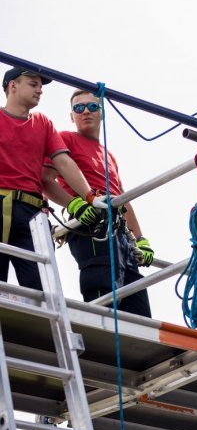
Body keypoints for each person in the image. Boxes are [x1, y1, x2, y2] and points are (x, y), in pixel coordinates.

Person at [42, 89, 153, 317]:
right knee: (104, 299)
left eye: (92, 107)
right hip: (92, 226)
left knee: (137, 307)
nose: (85, 112)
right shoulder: (66, 139)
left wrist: (141, 239)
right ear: (71, 116)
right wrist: (76, 205)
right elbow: (45, 180)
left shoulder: (108, 155)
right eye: (78, 108)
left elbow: (123, 198)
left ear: (102, 113)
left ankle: (132, 350)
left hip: (120, 233)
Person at [1, 67, 97, 290]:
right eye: (33, 85)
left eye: (41, 87)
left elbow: (63, 161)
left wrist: (88, 198)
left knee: (43, 289)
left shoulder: (43, 123)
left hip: (32, 214)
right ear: (12, 85)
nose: (40, 91)